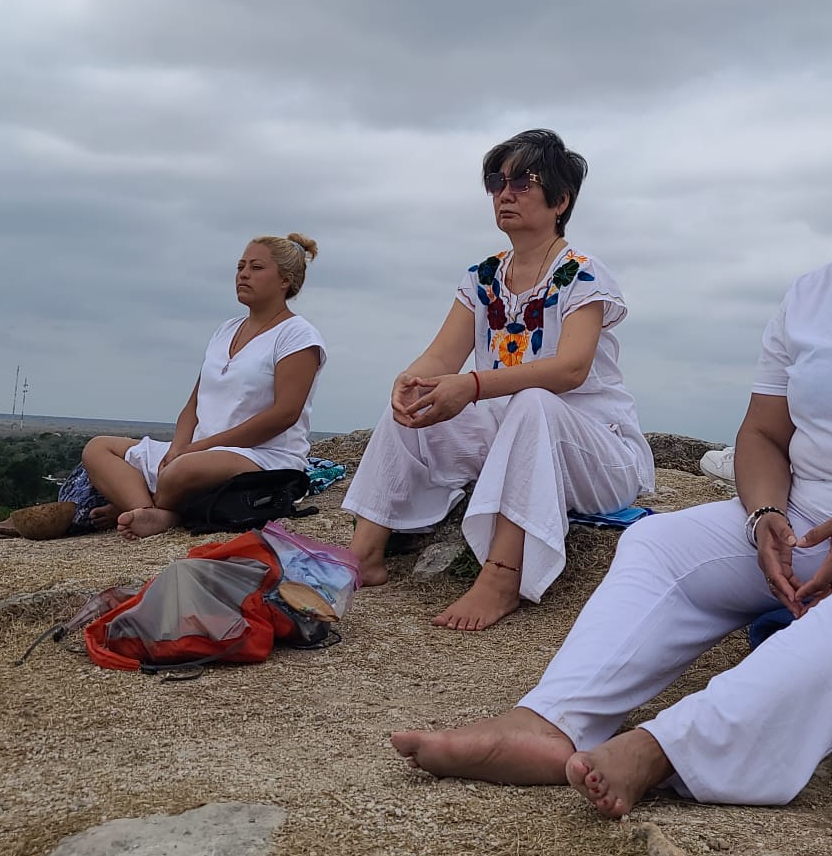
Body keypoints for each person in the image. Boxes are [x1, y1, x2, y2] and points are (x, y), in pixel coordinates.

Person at [390, 105, 832, 813]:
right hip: (815, 521)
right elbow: (761, 436)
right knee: (658, 542)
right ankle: (548, 723)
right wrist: (765, 514)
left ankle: (667, 750)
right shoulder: (811, 295)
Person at [344, 129, 655, 632]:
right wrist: (410, 381)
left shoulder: (583, 275)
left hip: (594, 454)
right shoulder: (484, 276)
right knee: (413, 403)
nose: (505, 193)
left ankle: (503, 575)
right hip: (511, 443)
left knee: (534, 401)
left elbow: (571, 369)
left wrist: (472, 385)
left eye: (523, 182)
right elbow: (441, 356)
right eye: (496, 181)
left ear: (561, 200)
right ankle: (364, 554)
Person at [81, 234, 326, 540]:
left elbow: (284, 415)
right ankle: (148, 510)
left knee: (180, 472)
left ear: (284, 281)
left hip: (263, 457)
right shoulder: (226, 330)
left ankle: (149, 507)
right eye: (240, 266)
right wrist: (179, 446)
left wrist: (196, 450)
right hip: (199, 451)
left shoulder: (298, 336)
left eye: (256, 267)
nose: (243, 274)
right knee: (98, 448)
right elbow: (194, 404)